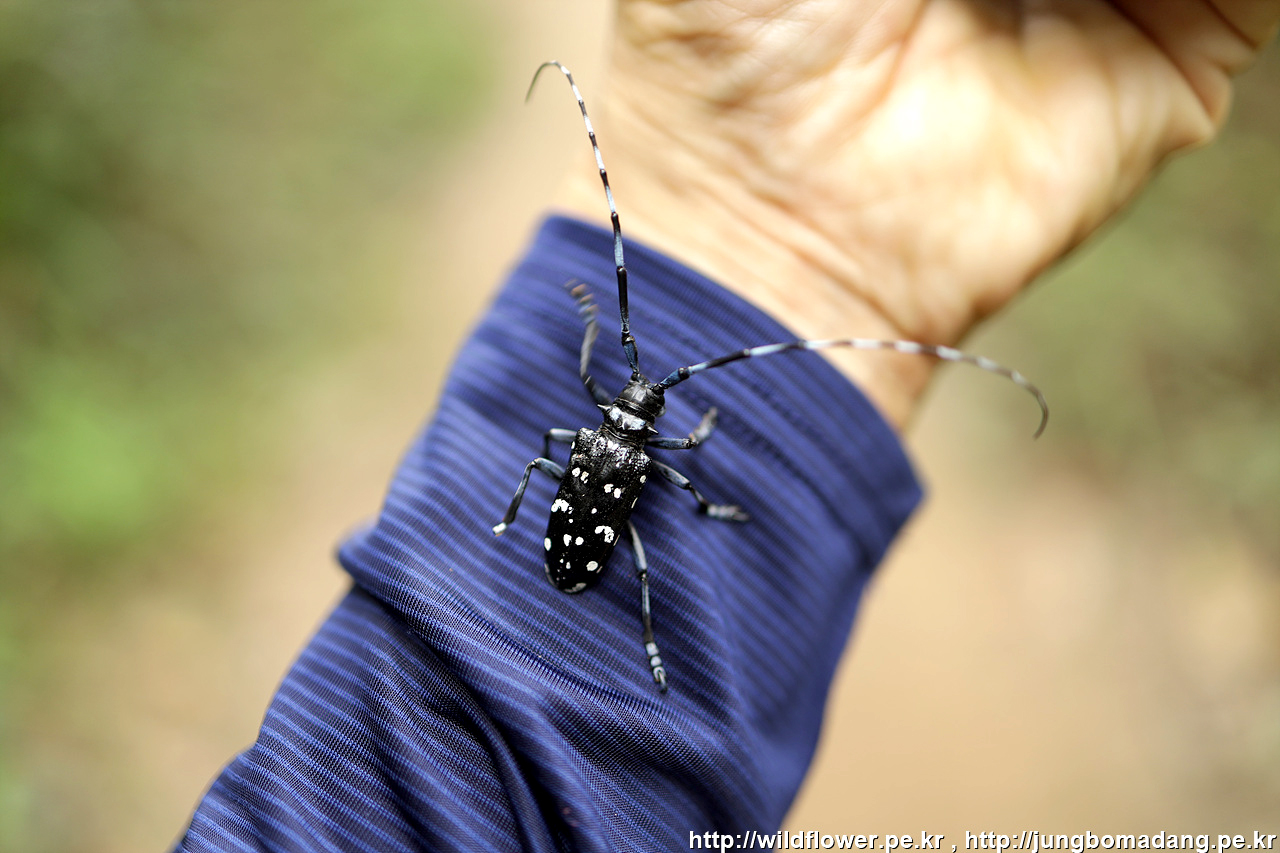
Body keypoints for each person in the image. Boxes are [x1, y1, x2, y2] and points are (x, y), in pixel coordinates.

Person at [174, 3, 1280, 851]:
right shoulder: (634, 442)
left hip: (568, 527)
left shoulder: (607, 431)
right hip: (579, 533)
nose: (641, 406)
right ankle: (636, 627)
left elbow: (653, 441)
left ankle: (585, 583)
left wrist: (716, 248)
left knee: (627, 521)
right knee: (646, 539)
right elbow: (683, 457)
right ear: (634, 413)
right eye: (644, 404)